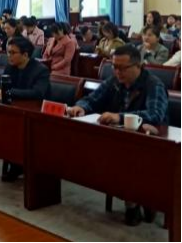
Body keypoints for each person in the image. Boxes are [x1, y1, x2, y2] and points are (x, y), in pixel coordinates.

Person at [68, 46, 168, 226]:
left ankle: (137, 203)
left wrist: (120, 117)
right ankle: (139, 200)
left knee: (127, 158)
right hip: (120, 138)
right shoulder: (114, 81)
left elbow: (155, 115)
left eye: (123, 68)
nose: (117, 72)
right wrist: (81, 106)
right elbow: (92, 99)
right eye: (114, 67)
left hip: (151, 143)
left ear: (139, 66)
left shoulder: (154, 84)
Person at [0, 37, 51, 182]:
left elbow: (37, 93)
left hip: (36, 114)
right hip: (15, 110)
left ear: (25, 54)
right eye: (8, 52)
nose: (9, 56)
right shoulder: (11, 66)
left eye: (13, 53)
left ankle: (20, 164)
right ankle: (15, 162)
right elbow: (0, 82)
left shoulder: (40, 70)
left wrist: (8, 92)